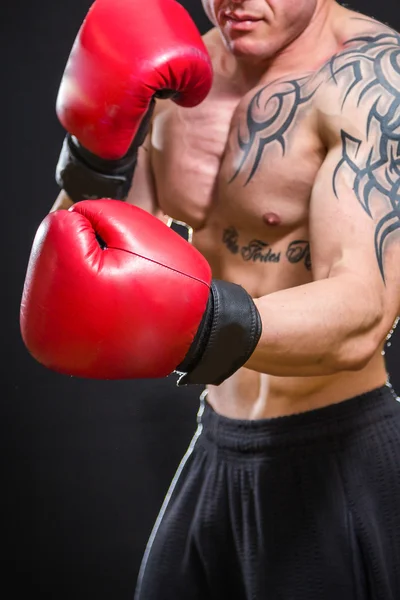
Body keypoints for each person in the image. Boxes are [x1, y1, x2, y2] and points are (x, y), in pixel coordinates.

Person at [20, 0, 400, 597]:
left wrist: (197, 326)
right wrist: (95, 157)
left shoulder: (369, 81)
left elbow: (363, 313)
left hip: (330, 453)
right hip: (216, 440)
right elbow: (82, 257)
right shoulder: (177, 72)